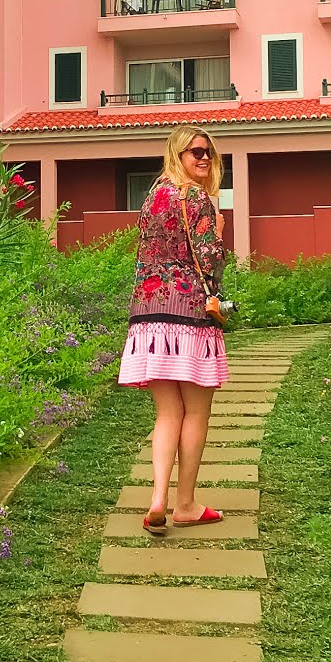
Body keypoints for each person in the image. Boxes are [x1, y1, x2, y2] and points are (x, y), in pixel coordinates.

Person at [118, 127, 229, 533]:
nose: (204, 158)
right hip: (189, 314)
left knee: (167, 412)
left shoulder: (153, 196)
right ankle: (184, 504)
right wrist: (218, 233)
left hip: (148, 315)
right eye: (196, 152)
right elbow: (210, 260)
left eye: (209, 153)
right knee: (196, 411)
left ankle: (157, 498)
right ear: (177, 153)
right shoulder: (196, 197)